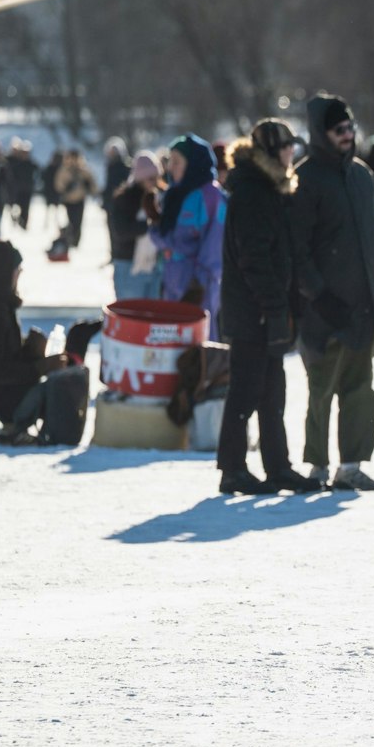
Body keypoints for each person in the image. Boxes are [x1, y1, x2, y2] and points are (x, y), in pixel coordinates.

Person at [289, 93, 374, 491]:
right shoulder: (305, 178)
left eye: (350, 127)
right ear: (321, 132)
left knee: (360, 390)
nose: (347, 135)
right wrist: (318, 297)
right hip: (322, 311)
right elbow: (296, 250)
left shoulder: (361, 175)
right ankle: (317, 467)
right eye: (339, 129)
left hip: (364, 305)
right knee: (321, 390)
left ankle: (350, 466)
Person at [217, 120, 322, 496]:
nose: (293, 153)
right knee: (245, 391)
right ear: (271, 151)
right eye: (287, 147)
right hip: (253, 311)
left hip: (265, 308)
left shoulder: (269, 187)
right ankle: (232, 469)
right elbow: (254, 257)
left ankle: (278, 467)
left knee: (272, 391)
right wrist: (273, 305)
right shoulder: (252, 190)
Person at [0, 241, 90, 446]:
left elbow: (0, 355)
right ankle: (9, 426)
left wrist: (30, 349)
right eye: (16, 269)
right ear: (2, 272)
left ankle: (11, 424)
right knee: (45, 389)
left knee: (46, 379)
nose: (19, 274)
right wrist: (40, 366)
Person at [150, 134, 227, 339]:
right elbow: (166, 239)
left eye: (177, 162)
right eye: (170, 162)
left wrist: (200, 283)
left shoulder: (211, 196)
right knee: (172, 346)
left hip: (198, 285)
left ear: (193, 164)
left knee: (199, 344)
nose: (171, 167)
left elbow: (215, 243)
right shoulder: (174, 194)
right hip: (172, 281)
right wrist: (155, 223)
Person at [108, 154, 163, 300]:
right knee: (130, 314)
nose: (154, 182)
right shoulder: (125, 198)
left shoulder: (159, 197)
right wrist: (148, 226)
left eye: (156, 177)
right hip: (128, 265)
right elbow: (120, 230)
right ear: (140, 178)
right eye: (150, 178)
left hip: (152, 265)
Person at [52, 150, 97, 253]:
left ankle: (76, 242)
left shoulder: (83, 171)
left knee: (78, 222)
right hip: (69, 200)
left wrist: (88, 185)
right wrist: (67, 187)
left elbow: (93, 184)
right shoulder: (65, 170)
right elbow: (58, 184)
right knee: (71, 222)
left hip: (80, 200)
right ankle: (70, 241)